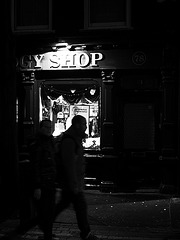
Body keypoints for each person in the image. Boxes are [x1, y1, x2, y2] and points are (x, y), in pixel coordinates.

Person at [54, 115, 99, 240]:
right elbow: (69, 165)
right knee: (79, 207)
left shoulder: (74, 138)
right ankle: (85, 233)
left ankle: (44, 222)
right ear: (77, 125)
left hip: (73, 182)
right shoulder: (69, 140)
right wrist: (74, 183)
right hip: (71, 183)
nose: (86, 127)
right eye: (84, 124)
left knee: (67, 206)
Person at [29, 119, 56, 240]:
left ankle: (47, 233)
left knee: (48, 211)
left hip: (50, 181)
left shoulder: (50, 141)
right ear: (41, 128)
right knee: (45, 211)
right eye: (46, 127)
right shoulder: (38, 143)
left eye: (50, 127)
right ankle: (47, 234)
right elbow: (35, 165)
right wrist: (37, 186)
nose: (49, 129)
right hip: (43, 182)